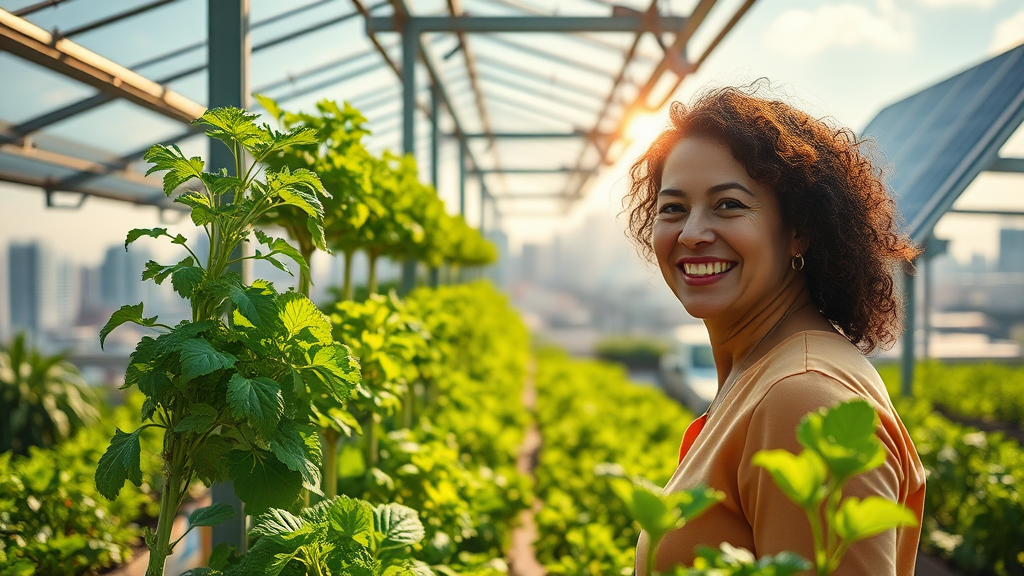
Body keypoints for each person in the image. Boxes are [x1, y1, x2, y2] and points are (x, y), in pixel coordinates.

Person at [625, 84, 926, 575]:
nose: (692, 233)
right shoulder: (765, 371)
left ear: (798, 230)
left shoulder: (801, 396)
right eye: (673, 208)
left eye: (728, 205)